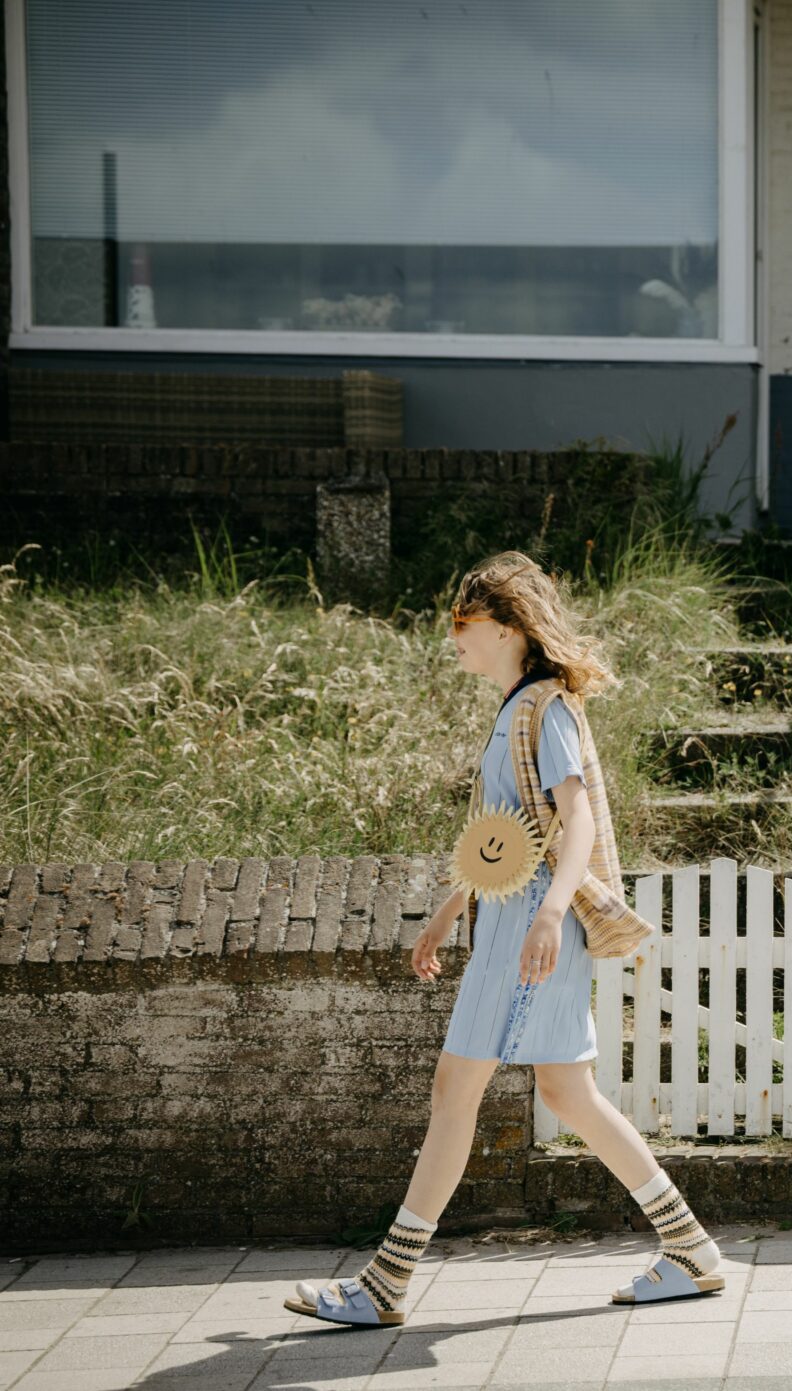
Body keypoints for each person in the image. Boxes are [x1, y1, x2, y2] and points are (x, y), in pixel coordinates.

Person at [283, 551, 722, 1328]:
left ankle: (386, 1281)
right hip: (513, 928)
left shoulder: (542, 709)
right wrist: (449, 914)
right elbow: (506, 836)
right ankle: (689, 1246)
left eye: (465, 623)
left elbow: (576, 817)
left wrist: (553, 912)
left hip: (528, 932)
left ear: (510, 628)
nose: (454, 636)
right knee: (565, 1090)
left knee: (457, 1090)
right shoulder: (519, 708)